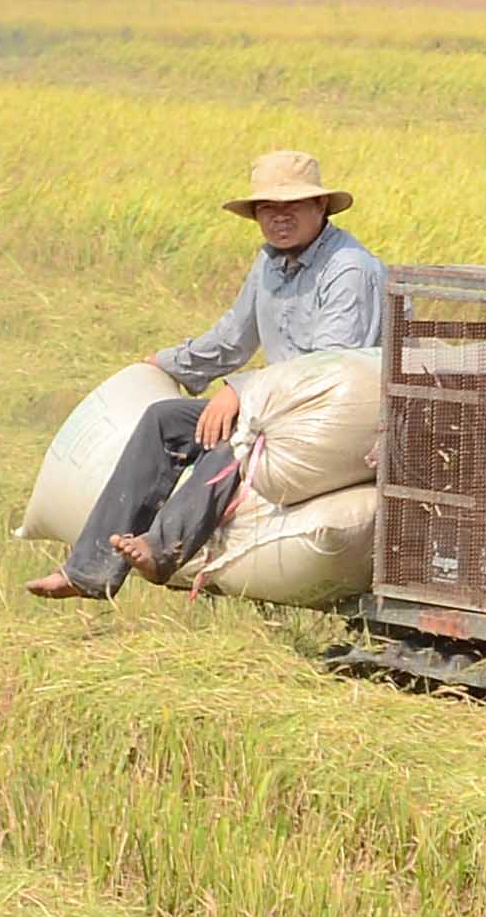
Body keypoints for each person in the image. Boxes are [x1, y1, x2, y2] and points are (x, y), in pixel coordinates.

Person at [30, 149, 386, 598]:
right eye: (268, 209)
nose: (279, 218)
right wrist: (164, 363)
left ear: (320, 207)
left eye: (291, 207)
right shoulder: (271, 263)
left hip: (334, 416)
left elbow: (331, 370)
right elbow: (232, 338)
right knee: (165, 419)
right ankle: (88, 571)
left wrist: (241, 393)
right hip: (279, 407)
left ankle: (162, 550)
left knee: (235, 434)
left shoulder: (348, 269)